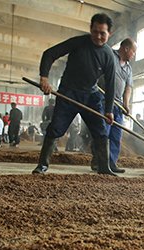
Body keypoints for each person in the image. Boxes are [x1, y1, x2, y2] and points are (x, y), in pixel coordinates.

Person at [32, 13, 116, 175]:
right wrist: (44, 78)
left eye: (102, 33)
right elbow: (49, 54)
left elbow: (111, 84)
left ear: (109, 34)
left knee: (101, 132)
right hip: (68, 93)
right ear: (90, 29)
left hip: (91, 96)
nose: (98, 36)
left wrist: (109, 110)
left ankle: (104, 168)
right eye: (95, 31)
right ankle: (42, 165)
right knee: (55, 129)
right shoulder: (78, 43)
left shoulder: (109, 55)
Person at [98, 37, 136, 173]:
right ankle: (99, 162)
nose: (134, 55)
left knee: (116, 135)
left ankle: (111, 163)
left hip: (118, 106)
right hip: (104, 101)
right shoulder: (109, 56)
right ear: (126, 49)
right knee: (104, 133)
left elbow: (128, 87)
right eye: (133, 51)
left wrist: (126, 104)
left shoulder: (129, 69)